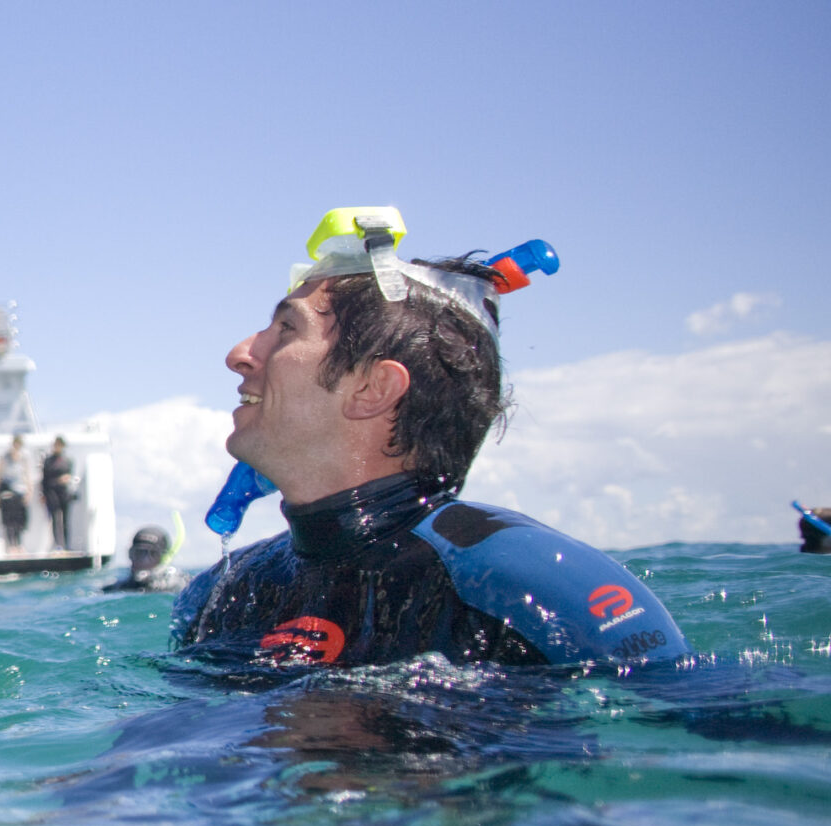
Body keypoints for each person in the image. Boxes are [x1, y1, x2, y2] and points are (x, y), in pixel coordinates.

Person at [173, 208, 688, 670]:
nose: (239, 353)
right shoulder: (227, 591)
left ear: (373, 388)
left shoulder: (527, 585)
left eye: (286, 329)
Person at [103, 526, 187, 593]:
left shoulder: (180, 585)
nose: (144, 560)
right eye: (138, 553)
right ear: (130, 554)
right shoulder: (116, 588)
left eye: (153, 554)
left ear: (164, 558)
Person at [39, 436, 78, 551]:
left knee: (65, 520)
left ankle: (66, 544)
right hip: (51, 492)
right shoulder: (48, 461)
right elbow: (44, 479)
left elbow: (70, 476)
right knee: (55, 518)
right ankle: (58, 545)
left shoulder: (67, 461)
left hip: (63, 493)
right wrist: (43, 494)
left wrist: (66, 479)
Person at [0, 436, 30, 554]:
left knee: (19, 520)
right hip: (7, 492)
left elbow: (26, 475)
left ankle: (19, 544)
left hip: (20, 491)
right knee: (8, 520)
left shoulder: (24, 458)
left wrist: (29, 491)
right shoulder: (4, 457)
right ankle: (11, 545)